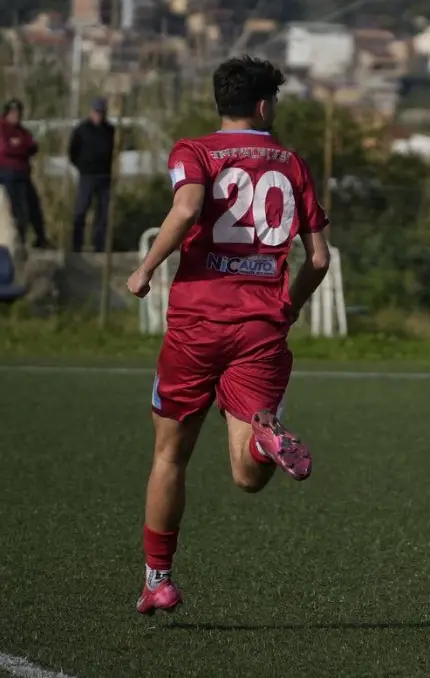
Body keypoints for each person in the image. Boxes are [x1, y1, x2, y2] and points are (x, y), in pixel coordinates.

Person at [126, 56, 332, 616]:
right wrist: (289, 307)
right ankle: (265, 440)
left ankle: (159, 580)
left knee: (170, 456)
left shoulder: (193, 151)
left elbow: (188, 207)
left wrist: (146, 268)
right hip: (262, 328)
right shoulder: (293, 163)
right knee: (246, 475)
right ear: (264, 105)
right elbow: (318, 258)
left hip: (197, 326)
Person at [0, 99, 49, 249]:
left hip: (23, 173)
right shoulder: (2, 128)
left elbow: (33, 146)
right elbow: (5, 149)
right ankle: (18, 240)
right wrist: (21, 147)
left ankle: (40, 238)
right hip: (7, 173)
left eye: (18, 113)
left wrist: (19, 146)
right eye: (13, 112)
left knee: (33, 206)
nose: (16, 116)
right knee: (16, 208)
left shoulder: (22, 131)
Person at [69, 97, 116, 252]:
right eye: (96, 112)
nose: (98, 115)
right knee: (81, 210)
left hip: (105, 176)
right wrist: (82, 166)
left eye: (101, 112)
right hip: (87, 176)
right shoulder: (82, 130)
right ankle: (77, 245)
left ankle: (99, 245)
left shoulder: (110, 130)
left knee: (102, 213)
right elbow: (72, 151)